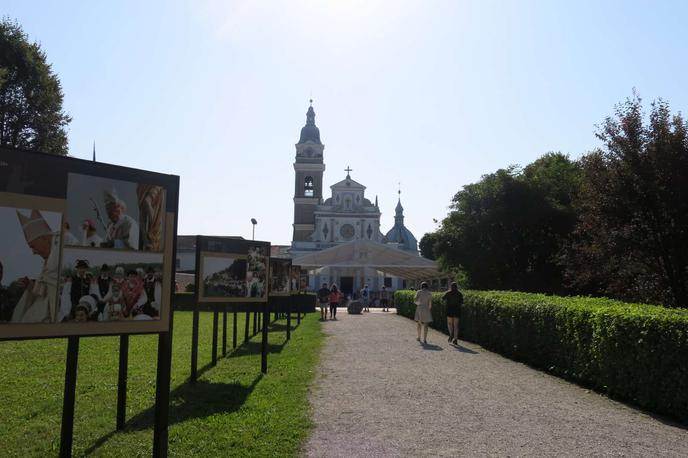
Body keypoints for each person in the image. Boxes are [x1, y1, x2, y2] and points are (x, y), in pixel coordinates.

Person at [11, 210, 61, 323]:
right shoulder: (48, 261)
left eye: (33, 246)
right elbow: (45, 290)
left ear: (44, 238)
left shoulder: (59, 247)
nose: (34, 252)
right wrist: (30, 285)